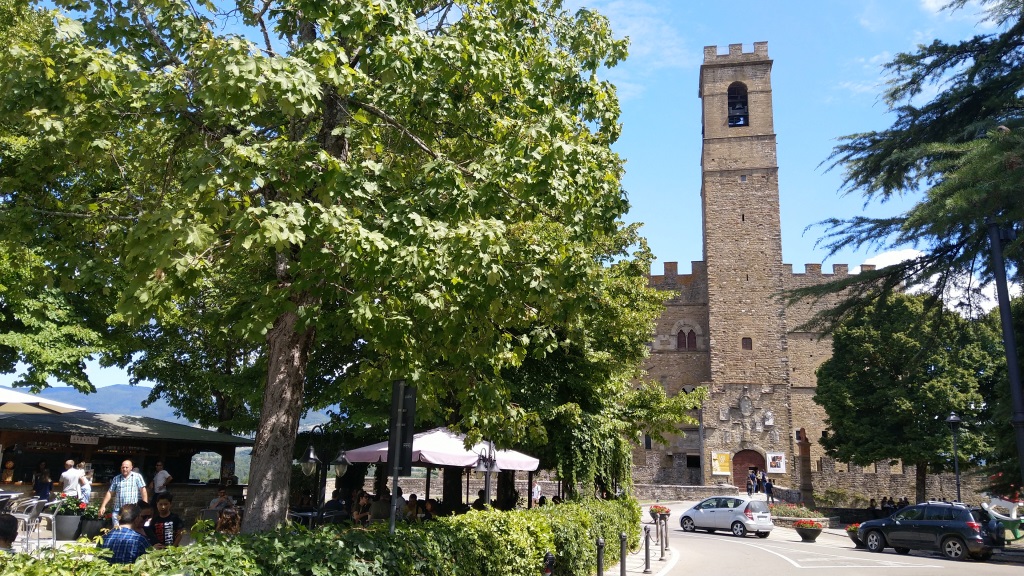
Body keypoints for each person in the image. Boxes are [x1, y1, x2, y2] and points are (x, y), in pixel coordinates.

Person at [99, 460, 148, 528]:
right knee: (117, 530)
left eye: (126, 467)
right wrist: (103, 506)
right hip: (118, 511)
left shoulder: (137, 476)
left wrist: (145, 506)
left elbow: (143, 491)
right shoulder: (116, 478)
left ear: (131, 467)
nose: (124, 469)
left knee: (131, 530)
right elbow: (110, 492)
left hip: (131, 511)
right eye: (123, 467)